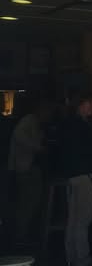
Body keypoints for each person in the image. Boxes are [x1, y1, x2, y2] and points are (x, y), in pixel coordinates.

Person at [57, 92, 92, 266]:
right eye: (91, 102)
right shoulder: (81, 126)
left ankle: (71, 256)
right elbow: (91, 151)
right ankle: (82, 258)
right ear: (81, 103)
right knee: (82, 220)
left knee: (73, 219)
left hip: (73, 175)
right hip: (83, 175)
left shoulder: (69, 123)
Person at [8, 97, 53, 245]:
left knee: (29, 202)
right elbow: (19, 136)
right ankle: (20, 235)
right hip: (26, 168)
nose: (48, 114)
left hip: (28, 168)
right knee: (27, 202)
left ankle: (22, 233)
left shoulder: (35, 123)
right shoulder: (29, 121)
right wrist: (38, 148)